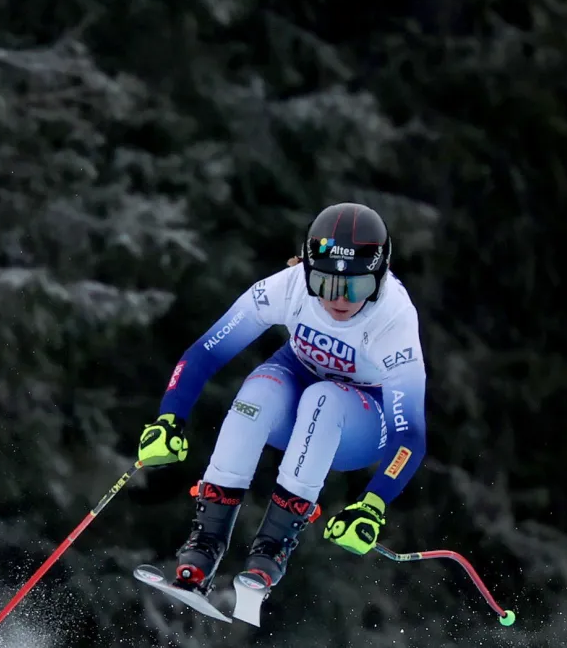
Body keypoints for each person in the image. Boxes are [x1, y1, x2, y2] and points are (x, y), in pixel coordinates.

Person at [135, 202, 427, 594]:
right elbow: (206, 352)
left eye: (356, 286)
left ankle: (271, 551)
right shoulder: (289, 285)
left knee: (324, 399)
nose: (338, 299)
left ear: (380, 277)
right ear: (305, 269)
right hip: (293, 401)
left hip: (357, 426)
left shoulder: (394, 318)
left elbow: (410, 436)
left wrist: (373, 503)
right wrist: (169, 419)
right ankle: (203, 545)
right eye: (324, 283)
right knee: (259, 389)